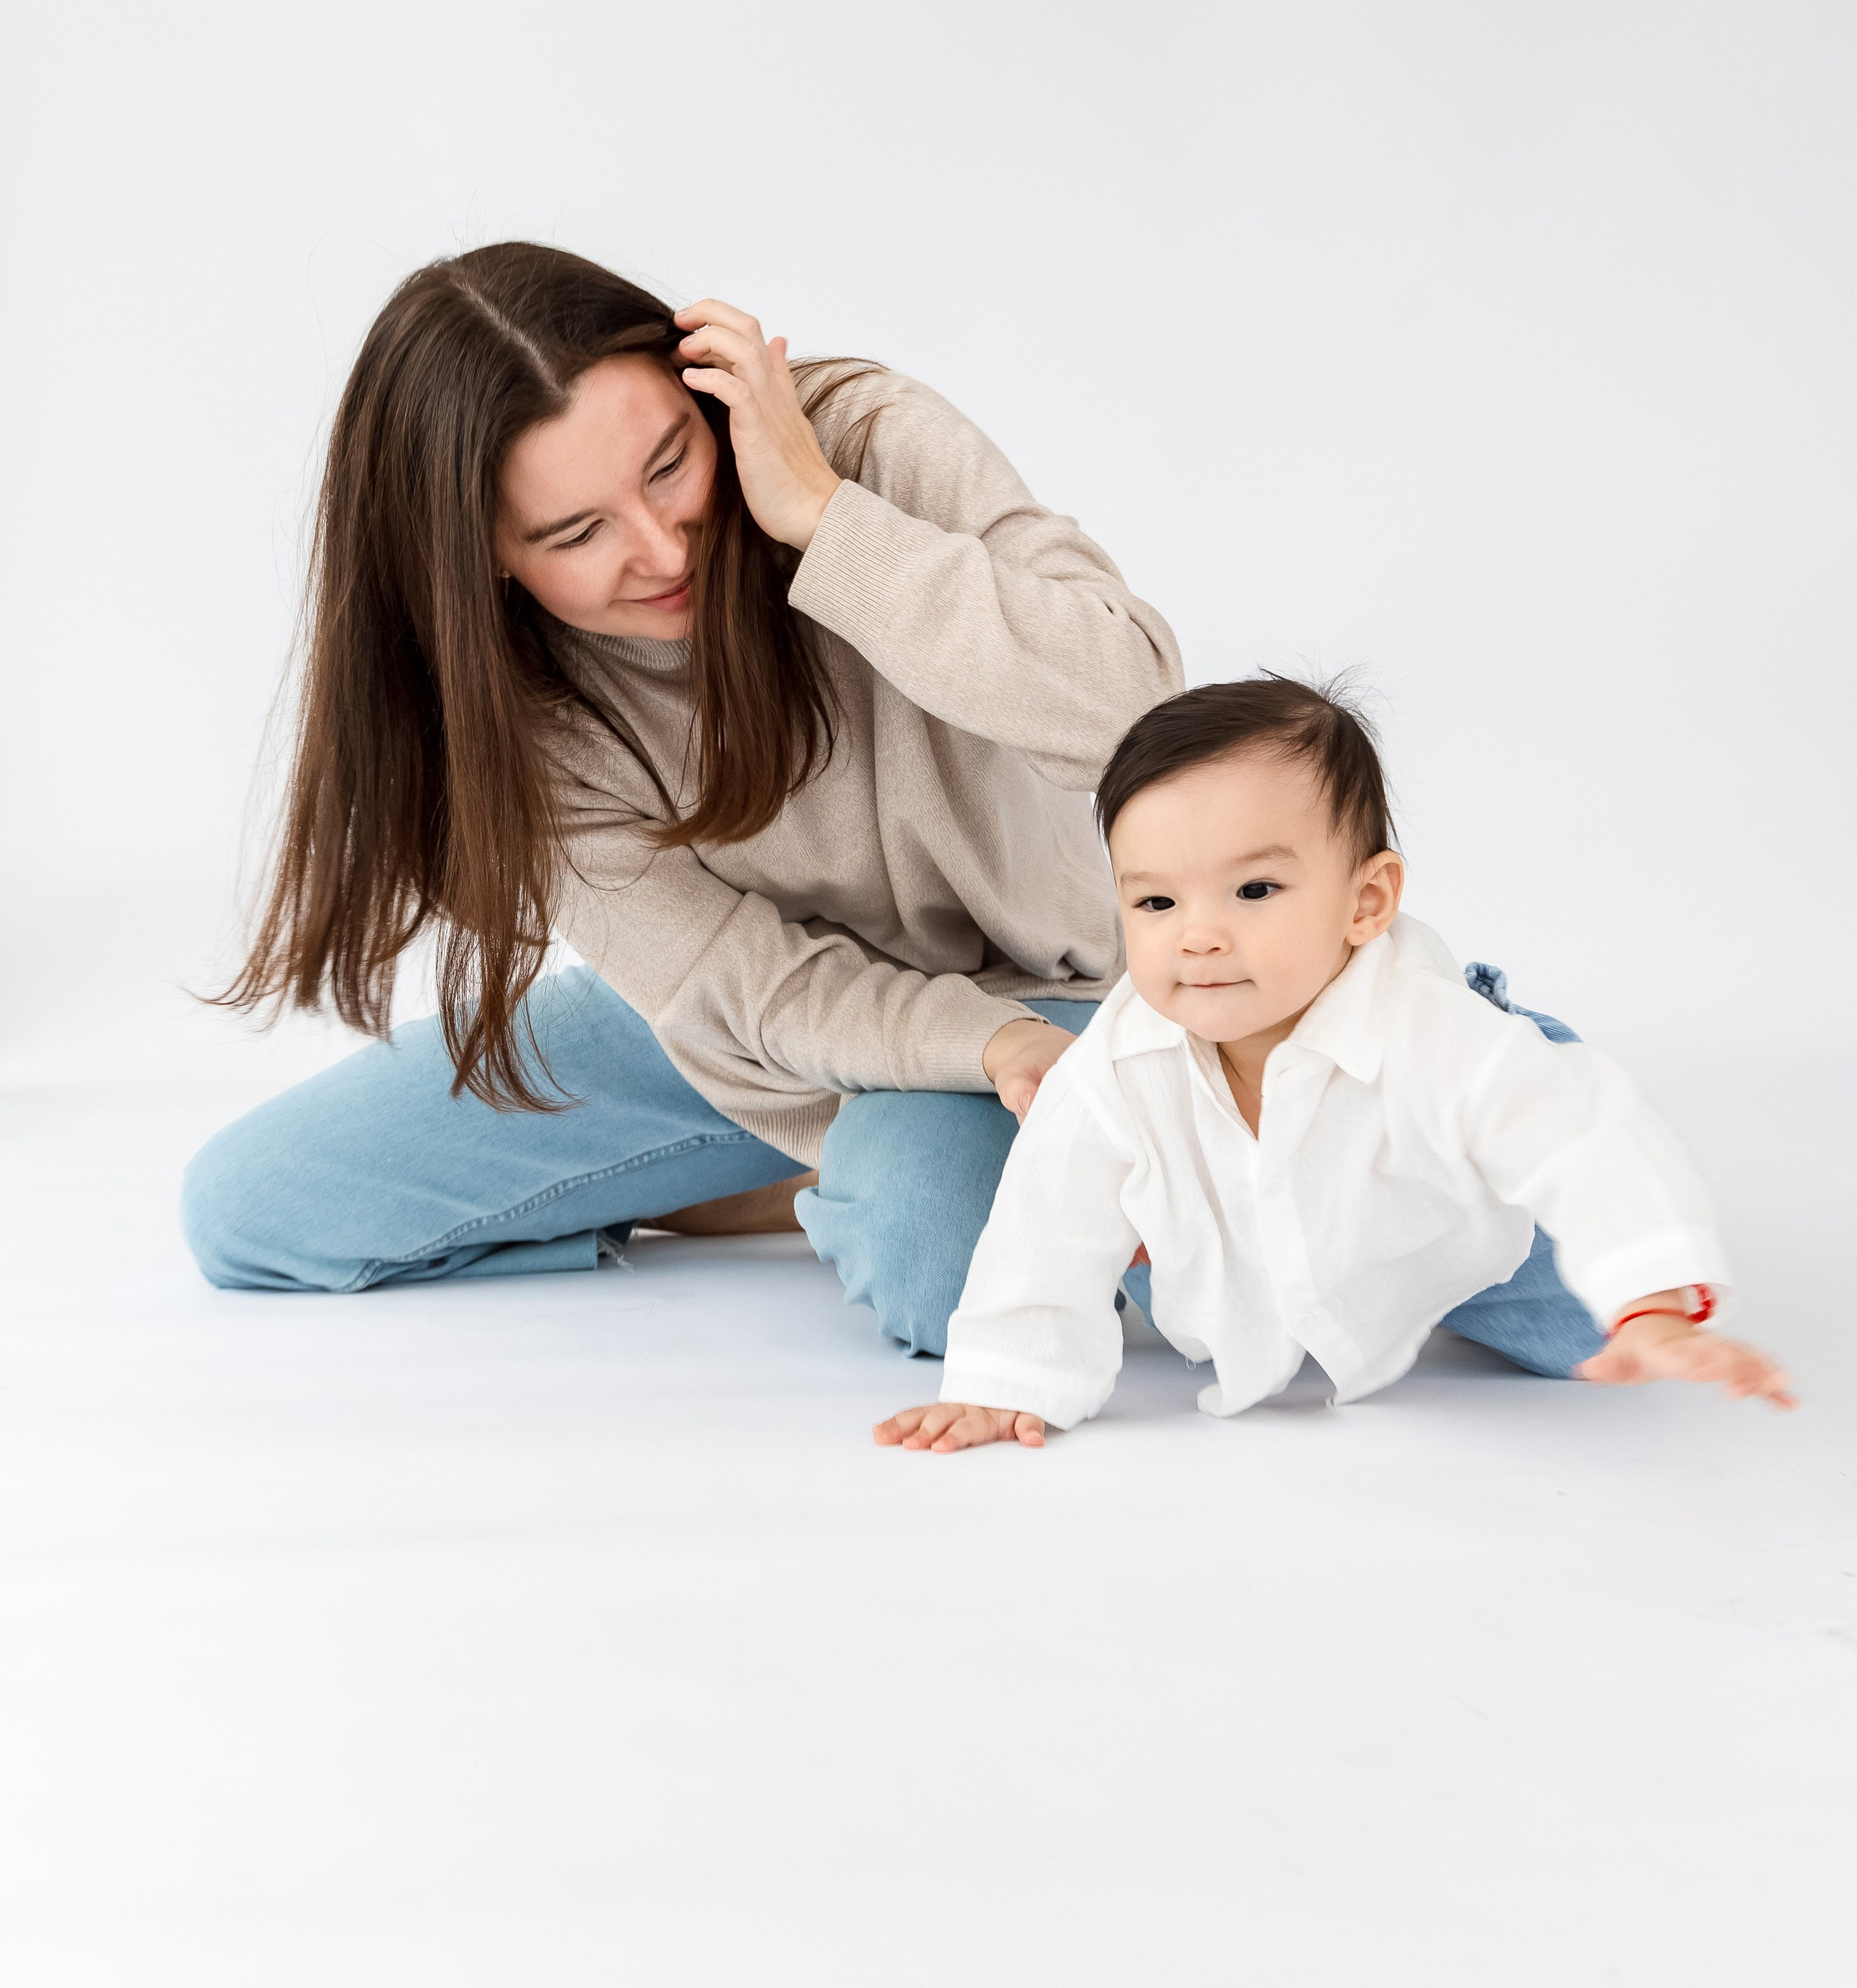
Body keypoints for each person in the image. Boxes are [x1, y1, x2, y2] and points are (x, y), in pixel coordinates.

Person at [180, 243, 1183, 1353]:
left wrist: (826, 517)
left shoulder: (861, 444)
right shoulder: (510, 701)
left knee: (941, 1260)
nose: (662, 549)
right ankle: (802, 1159)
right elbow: (736, 983)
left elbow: (1131, 707)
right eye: (575, 533)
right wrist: (972, 1046)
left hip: (1038, 997)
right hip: (736, 1020)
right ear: (485, 561)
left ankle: (858, 1160)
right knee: (250, 1208)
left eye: (669, 465)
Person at [876, 677, 1795, 1448]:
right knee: (1185, 1262)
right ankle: (1329, 1262)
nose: (1197, 934)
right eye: (1155, 902)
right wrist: (1008, 1379)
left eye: (1254, 889)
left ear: (1365, 901)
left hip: (1457, 1190)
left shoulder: (1422, 1030)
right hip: (1271, 1205)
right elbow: (1051, 1213)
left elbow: (1575, 1133)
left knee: (1582, 1338)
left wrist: (1650, 1303)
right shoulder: (1121, 1057)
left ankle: (1609, 1252)